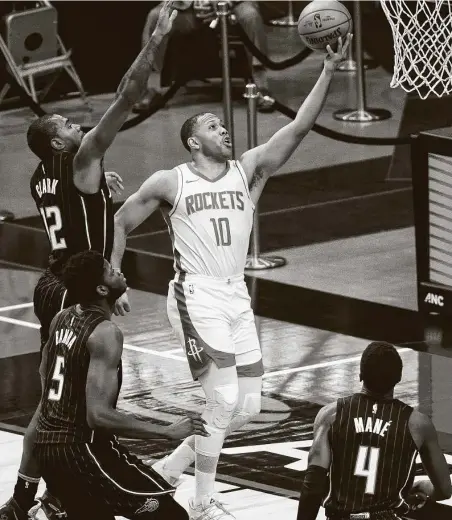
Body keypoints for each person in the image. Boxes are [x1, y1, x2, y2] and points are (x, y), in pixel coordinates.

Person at [111, 35, 351, 520]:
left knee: (244, 408)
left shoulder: (249, 171)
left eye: (223, 125)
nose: (225, 130)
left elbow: (299, 128)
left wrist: (328, 70)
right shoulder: (170, 180)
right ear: (193, 141)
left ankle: (169, 471)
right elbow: (118, 221)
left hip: (236, 295)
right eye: (213, 126)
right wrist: (114, 273)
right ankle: (199, 503)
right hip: (195, 295)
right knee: (219, 399)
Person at [0, 3, 179, 519]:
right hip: (69, 284)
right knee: (79, 400)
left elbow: (95, 217)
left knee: (55, 397)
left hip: (53, 279)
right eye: (68, 123)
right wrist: (154, 42)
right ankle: (61, 490)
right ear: (58, 142)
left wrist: (100, 190)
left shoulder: (42, 175)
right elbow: (127, 94)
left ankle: (27, 496)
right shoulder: (80, 161)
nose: (79, 123)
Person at [31, 250, 209, 520]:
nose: (119, 271)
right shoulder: (105, 333)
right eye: (111, 271)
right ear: (102, 289)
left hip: (49, 450)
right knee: (171, 516)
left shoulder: (61, 318)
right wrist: (167, 431)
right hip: (83, 451)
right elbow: (98, 416)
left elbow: (44, 373)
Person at [296, 342, 452, 520]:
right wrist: (424, 486)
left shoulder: (331, 416)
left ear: (360, 374)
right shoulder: (418, 424)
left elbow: (313, 486)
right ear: (399, 378)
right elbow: (444, 491)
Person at [134, 1, 275, 113]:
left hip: (234, 6)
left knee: (251, 16)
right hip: (187, 8)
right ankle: (150, 89)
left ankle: (261, 87)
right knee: (155, 17)